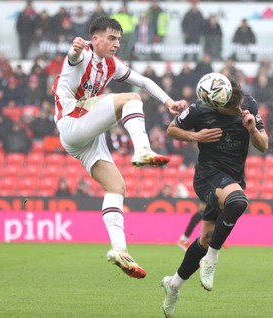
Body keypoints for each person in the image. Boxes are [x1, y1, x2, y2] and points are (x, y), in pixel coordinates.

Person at [52, 17, 186, 279]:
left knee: (116, 187)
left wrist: (168, 101)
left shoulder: (111, 65)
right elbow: (72, 58)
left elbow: (144, 80)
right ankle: (142, 149)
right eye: (111, 38)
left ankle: (119, 249)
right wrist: (74, 49)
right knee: (131, 98)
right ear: (95, 39)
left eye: (119, 40)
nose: (116, 44)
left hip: (87, 132)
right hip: (72, 120)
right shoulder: (83, 55)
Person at [161, 76, 268, 317]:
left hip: (233, 179)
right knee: (239, 202)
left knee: (206, 238)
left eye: (237, 108)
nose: (236, 112)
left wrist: (251, 129)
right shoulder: (199, 109)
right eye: (230, 111)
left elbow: (264, 146)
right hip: (207, 176)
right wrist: (196, 137)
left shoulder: (249, 105)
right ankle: (211, 259)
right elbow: (171, 130)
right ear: (216, 105)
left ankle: (173, 285)